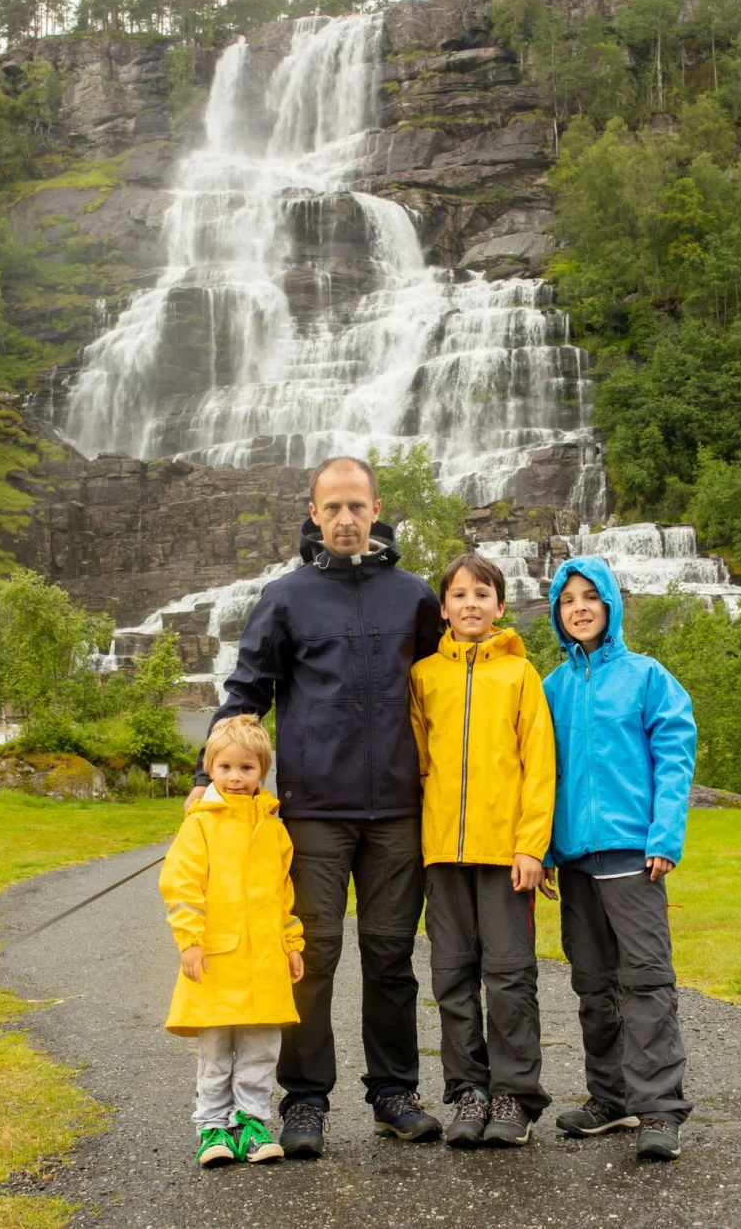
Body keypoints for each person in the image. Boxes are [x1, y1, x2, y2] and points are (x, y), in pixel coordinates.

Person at [185, 456, 444, 1157]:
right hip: (313, 813)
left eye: (356, 506)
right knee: (311, 957)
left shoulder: (415, 597)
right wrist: (206, 776)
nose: (345, 519)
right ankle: (305, 1101)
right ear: (312, 513)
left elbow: (445, 691)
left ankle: (394, 1093)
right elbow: (247, 693)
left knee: (391, 956)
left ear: (376, 509)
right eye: (332, 508)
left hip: (397, 811)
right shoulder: (286, 598)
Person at [541, 556, 697, 1162]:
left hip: (635, 855)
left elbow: (675, 757)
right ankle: (611, 1098)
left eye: (590, 597)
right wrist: (547, 848)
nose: (579, 607)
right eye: (567, 599)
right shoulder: (550, 687)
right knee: (592, 984)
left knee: (647, 981)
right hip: (576, 860)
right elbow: (544, 776)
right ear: (557, 612)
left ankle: (659, 1106)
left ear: (611, 606)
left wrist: (665, 836)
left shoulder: (646, 676)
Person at [409, 552, 556, 1149]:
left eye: (483, 594)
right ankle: (467, 1091)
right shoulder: (423, 676)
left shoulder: (521, 675)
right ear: (443, 608)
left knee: (510, 976)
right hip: (442, 854)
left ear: (500, 606)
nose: (471, 604)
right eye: (460, 594)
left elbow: (539, 767)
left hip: (506, 856)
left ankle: (512, 1096)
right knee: (451, 977)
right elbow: (417, 765)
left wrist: (531, 847)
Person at [160, 713, 304, 1167]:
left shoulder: (275, 829)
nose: (236, 777)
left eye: (246, 768)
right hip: (215, 961)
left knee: (262, 1048)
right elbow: (181, 886)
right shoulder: (199, 825)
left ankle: (253, 1124)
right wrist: (190, 941)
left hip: (263, 962)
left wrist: (292, 942)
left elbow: (283, 894)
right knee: (217, 1051)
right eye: (224, 768)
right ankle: (212, 1127)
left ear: (263, 771)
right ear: (210, 768)